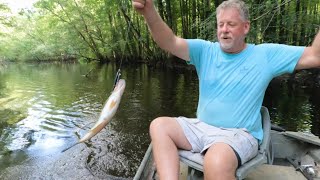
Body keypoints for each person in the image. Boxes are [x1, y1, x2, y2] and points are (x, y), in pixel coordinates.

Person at [132, 0, 320, 179]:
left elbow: (314, 55)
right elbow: (169, 41)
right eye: (220, 24)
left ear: (245, 27)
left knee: (216, 161)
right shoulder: (205, 51)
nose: (224, 30)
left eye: (230, 24)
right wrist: (149, 11)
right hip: (202, 128)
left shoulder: (265, 55)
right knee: (159, 126)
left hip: (239, 134)